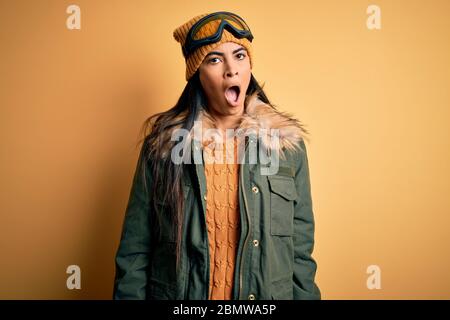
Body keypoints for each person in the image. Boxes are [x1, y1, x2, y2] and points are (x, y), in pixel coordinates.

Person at [113, 11, 321, 300]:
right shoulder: (162, 150)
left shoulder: (286, 149)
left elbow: (300, 256)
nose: (231, 70)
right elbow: (135, 253)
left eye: (239, 56)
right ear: (196, 74)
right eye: (214, 59)